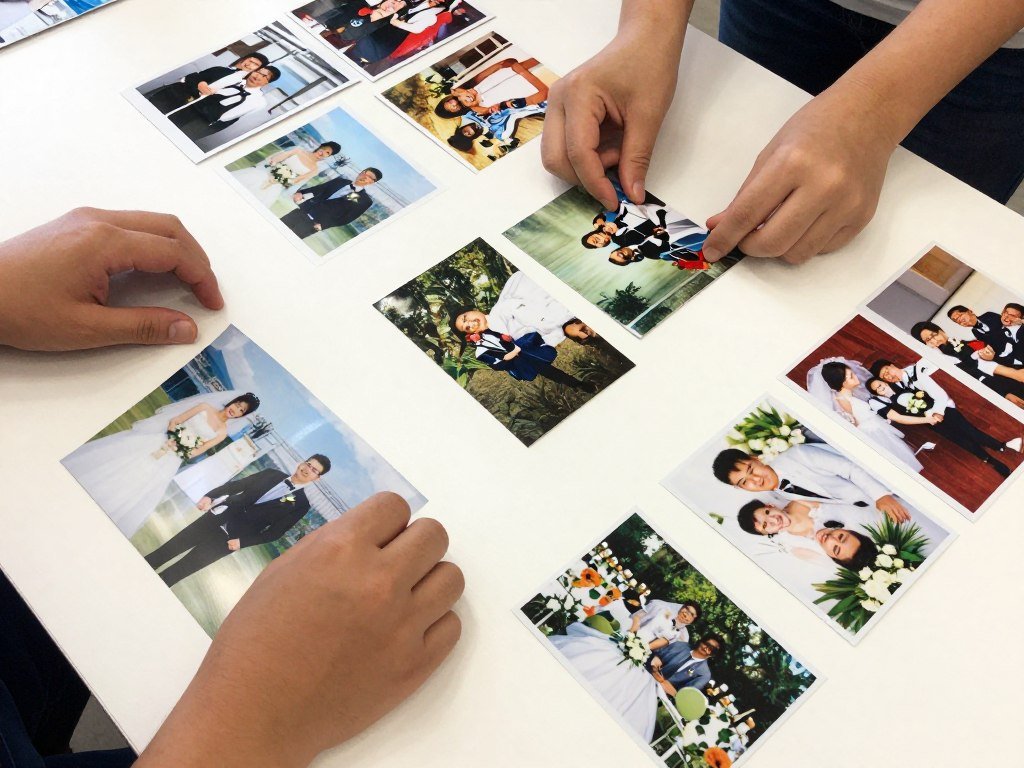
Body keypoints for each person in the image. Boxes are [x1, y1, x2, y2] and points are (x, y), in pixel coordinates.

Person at [0, 210, 464, 768]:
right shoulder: (267, 470)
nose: (307, 475)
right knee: (147, 571)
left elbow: (274, 523)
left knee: (71, 639)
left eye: (316, 473)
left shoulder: (289, 494)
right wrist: (256, 713)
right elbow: (242, 487)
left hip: (38, 619)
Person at [540, 0, 1024, 266]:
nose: (612, 243)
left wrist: (871, 113)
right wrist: (647, 27)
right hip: (776, 10)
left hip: (991, 47)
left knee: (879, 248)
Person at [62, 390, 260, 538]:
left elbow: (197, 451)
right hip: (160, 442)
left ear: (242, 416)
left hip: (173, 457)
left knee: (141, 481)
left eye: (242, 410)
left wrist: (181, 448)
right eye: (238, 404)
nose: (236, 410)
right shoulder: (205, 407)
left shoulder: (222, 433)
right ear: (233, 401)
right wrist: (173, 435)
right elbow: (176, 419)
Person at [143, 455, 331, 587]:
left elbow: (275, 533)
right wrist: (210, 495)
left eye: (314, 470)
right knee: (168, 549)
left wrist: (243, 542)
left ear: (317, 478)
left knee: (181, 570)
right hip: (216, 517)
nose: (307, 469)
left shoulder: (301, 505)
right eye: (308, 463)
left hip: (231, 540)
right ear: (302, 463)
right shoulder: (270, 473)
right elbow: (237, 485)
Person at [869, 358, 1021, 476]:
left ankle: (1002, 446)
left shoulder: (916, 371)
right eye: (885, 376)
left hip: (945, 409)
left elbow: (939, 394)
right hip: (931, 420)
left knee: (971, 432)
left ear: (893, 365)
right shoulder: (894, 387)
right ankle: (993, 462)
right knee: (961, 441)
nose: (889, 376)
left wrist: (937, 412)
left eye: (888, 370)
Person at [711, 444, 910, 521]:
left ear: (756, 458)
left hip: (888, 488)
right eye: (745, 482)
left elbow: (850, 469)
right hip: (874, 508)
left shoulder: (798, 455)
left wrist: (881, 496)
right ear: (740, 488)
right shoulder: (780, 492)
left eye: (751, 470)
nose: (756, 480)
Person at [809, 359, 924, 471]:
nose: (856, 375)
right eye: (851, 376)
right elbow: (854, 422)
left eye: (852, 373)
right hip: (872, 433)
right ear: (843, 383)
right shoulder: (842, 398)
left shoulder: (850, 393)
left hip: (877, 427)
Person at [910, 320, 1024, 405]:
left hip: (1012, 376)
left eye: (934, 335)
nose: (935, 341)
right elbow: (975, 377)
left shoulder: (969, 343)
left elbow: (1000, 358)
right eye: (928, 340)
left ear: (941, 331)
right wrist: (1004, 393)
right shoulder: (943, 362)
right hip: (1002, 387)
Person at [168, 65, 281, 144]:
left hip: (203, 122)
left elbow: (230, 119)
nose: (257, 76)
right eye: (258, 72)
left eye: (264, 76)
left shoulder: (258, 101)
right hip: (188, 107)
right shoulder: (235, 78)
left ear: (267, 82)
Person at [144, 53, 271, 114]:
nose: (249, 65)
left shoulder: (243, 85)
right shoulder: (221, 69)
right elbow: (192, 76)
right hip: (174, 94)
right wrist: (200, 84)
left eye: (255, 64)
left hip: (190, 110)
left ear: (258, 69)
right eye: (250, 60)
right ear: (244, 59)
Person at [433, 56, 549, 121]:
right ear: (463, 110)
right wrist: (521, 71)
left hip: (534, 63)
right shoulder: (490, 110)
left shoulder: (477, 81)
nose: (461, 100)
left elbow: (508, 62)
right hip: (544, 78)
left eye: (453, 100)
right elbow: (541, 96)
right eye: (459, 105)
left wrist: (517, 68)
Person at [231, 141, 342, 207]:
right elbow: (277, 158)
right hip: (267, 172)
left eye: (328, 153)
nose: (323, 153)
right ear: (320, 147)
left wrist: (280, 180)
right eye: (324, 150)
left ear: (329, 156)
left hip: (277, 185)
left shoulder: (314, 170)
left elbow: (296, 181)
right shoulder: (298, 151)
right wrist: (274, 169)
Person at [280, 167, 381, 239]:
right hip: (302, 211)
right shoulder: (341, 181)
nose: (364, 176)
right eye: (364, 172)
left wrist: (323, 225)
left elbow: (347, 218)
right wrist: (301, 192)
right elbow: (319, 188)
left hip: (314, 224)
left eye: (369, 176)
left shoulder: (364, 200)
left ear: (372, 182)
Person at [649, 635, 722, 698]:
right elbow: (658, 656)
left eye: (712, 649)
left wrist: (663, 683)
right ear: (701, 641)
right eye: (706, 644)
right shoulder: (680, 645)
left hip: (664, 694)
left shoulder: (704, 674)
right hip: (649, 675)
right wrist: (654, 667)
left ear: (713, 655)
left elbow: (683, 693)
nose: (706, 648)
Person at [949, 304, 1024, 363]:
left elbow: (1008, 326)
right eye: (956, 321)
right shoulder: (975, 331)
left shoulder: (989, 315)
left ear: (970, 311)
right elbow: (993, 346)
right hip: (1011, 357)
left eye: (960, 315)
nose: (960, 320)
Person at [627, 599, 701, 647]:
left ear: (692, 621)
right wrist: (631, 634)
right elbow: (637, 617)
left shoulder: (682, 636)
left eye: (691, 614)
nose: (686, 614)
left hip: (642, 649)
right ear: (682, 607)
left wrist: (640, 650)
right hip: (630, 633)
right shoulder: (662, 609)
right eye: (686, 609)